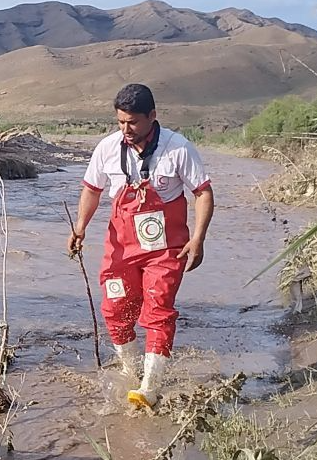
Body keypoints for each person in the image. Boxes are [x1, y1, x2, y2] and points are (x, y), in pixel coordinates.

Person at [67, 84, 215, 408]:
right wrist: (80, 227)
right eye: (120, 122)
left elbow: (202, 193)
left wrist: (198, 238)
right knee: (115, 310)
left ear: (152, 116)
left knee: (158, 310)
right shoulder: (107, 148)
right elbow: (92, 190)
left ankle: (150, 386)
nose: (126, 130)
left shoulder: (179, 149)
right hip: (120, 249)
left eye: (132, 122)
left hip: (166, 250)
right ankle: (131, 370)